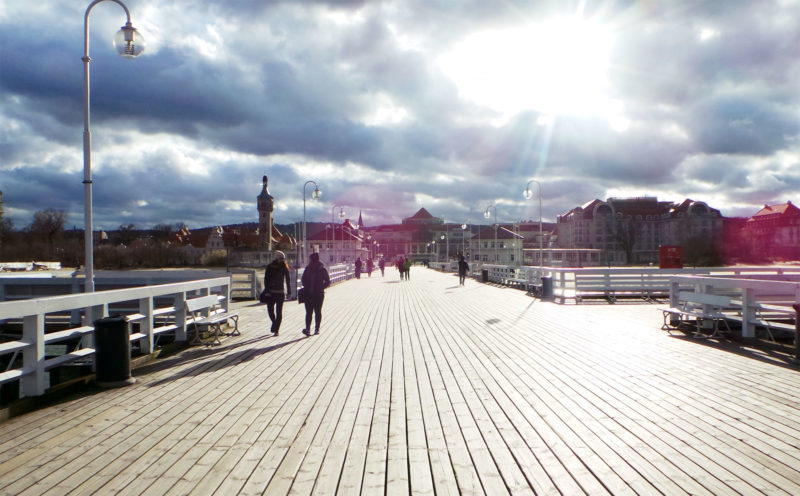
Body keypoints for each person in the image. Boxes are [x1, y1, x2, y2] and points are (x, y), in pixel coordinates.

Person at [301, 252, 330, 336]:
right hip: (317, 294)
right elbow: (327, 282)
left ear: (312, 260)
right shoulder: (321, 269)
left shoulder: (309, 269)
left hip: (312, 293)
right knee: (316, 311)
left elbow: (303, 281)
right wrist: (321, 287)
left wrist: (310, 287)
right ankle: (314, 329)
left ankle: (310, 328)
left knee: (311, 312)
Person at [263, 251, 291, 335]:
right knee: (270, 310)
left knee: (279, 312)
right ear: (276, 258)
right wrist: (267, 290)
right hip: (271, 292)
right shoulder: (270, 267)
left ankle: (276, 329)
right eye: (281, 258)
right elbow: (266, 279)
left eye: (283, 259)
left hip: (280, 292)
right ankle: (274, 323)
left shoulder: (284, 267)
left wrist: (289, 291)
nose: (282, 260)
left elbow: (288, 279)